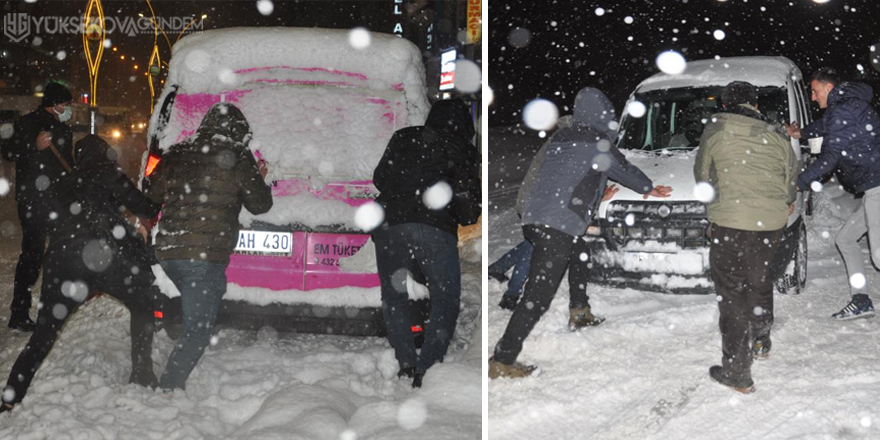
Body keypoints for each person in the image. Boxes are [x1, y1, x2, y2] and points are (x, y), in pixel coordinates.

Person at [489, 87, 672, 379]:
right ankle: (503, 358)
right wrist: (649, 188)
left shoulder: (561, 138)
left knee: (581, 252)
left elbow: (569, 177)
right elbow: (622, 168)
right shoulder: (596, 141)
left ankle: (579, 310)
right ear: (603, 116)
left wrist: (597, 191)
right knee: (537, 298)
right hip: (557, 225)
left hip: (535, 219)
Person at [1, 135, 163, 414]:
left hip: (63, 265)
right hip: (104, 260)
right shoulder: (110, 173)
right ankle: (142, 372)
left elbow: (48, 222)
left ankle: (11, 395)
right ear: (106, 153)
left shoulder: (63, 183)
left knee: (43, 333)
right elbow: (146, 208)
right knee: (142, 303)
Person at [145, 103, 273, 390]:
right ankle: (169, 389)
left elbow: (152, 191)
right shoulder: (238, 156)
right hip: (202, 256)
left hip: (169, 251)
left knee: (196, 318)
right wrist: (259, 180)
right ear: (238, 131)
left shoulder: (177, 151)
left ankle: (169, 379)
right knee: (198, 331)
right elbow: (261, 204)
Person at [695, 81, 797, 394]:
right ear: (755, 103)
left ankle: (737, 371)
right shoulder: (776, 134)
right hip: (770, 223)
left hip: (730, 223)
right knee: (760, 279)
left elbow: (702, 176)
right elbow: (791, 178)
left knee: (732, 292)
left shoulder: (716, 130)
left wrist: (718, 200)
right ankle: (761, 340)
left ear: (725, 105)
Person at [372, 99, 480, 388]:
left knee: (394, 296)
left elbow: (380, 177)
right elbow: (469, 205)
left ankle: (406, 362)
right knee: (445, 298)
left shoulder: (403, 136)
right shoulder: (462, 148)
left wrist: (404, 189)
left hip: (388, 222)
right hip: (433, 225)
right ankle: (428, 368)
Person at [787, 67, 880, 321]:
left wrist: (799, 182)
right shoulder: (847, 106)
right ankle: (861, 301)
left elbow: (829, 158)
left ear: (829, 88)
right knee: (846, 239)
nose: (814, 98)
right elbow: (825, 125)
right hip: (873, 186)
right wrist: (800, 133)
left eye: (815, 92)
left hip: (878, 187)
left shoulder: (842, 109)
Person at [1, 82, 74, 332]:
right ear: (53, 104)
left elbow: (68, 165)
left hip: (55, 200)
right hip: (34, 199)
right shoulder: (27, 123)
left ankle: (50, 308)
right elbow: (8, 152)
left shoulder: (63, 129)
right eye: (65, 104)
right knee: (34, 255)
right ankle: (20, 313)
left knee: (56, 253)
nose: (67, 108)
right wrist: (34, 145)